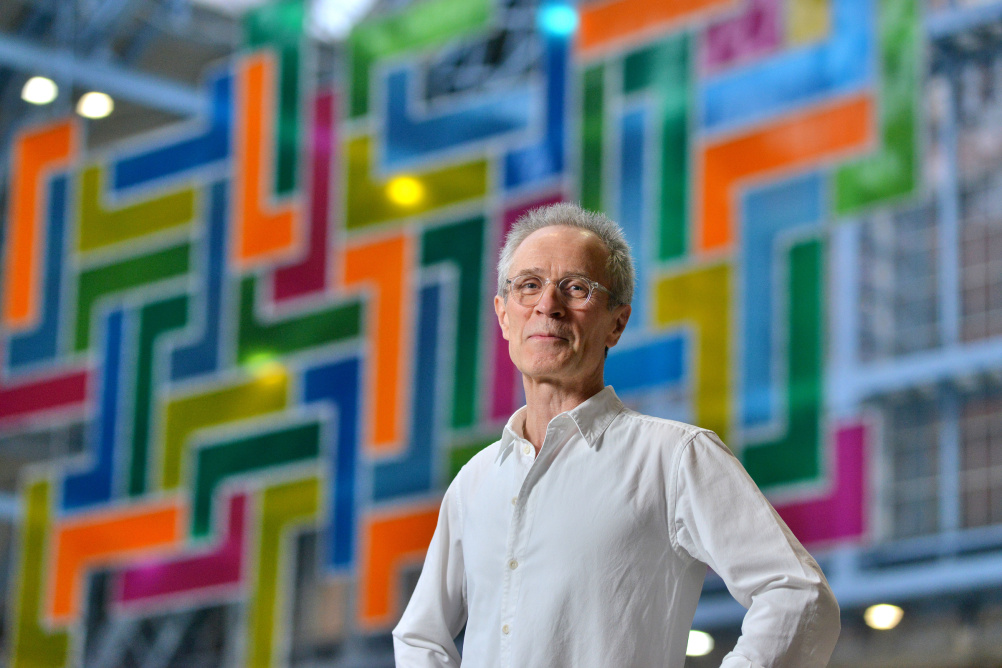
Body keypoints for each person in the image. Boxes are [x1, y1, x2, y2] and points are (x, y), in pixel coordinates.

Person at [392, 203, 840, 667]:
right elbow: (420, 636)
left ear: (617, 322)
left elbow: (798, 596)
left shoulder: (675, 458)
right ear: (504, 316)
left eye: (576, 288)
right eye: (529, 286)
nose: (548, 305)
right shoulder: (475, 480)